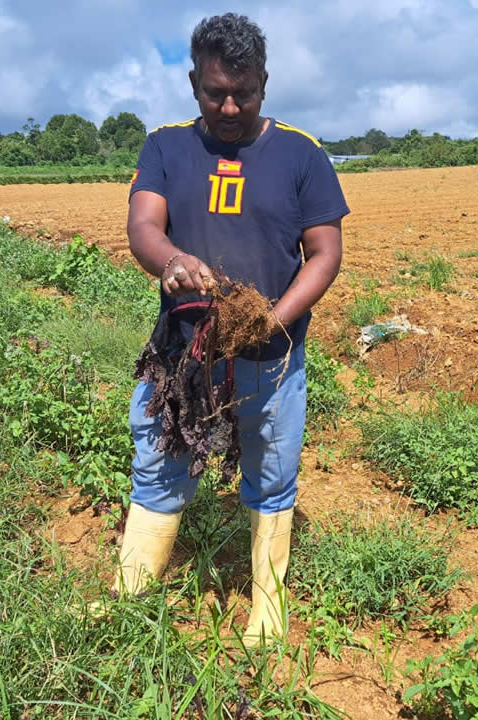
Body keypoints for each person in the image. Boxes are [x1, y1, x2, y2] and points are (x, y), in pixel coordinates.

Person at [112, 12, 349, 646]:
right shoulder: (166, 146)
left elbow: (325, 252)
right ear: (194, 82)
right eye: (216, 90)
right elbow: (143, 227)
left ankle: (267, 603)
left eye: (243, 92)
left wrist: (272, 318)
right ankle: (133, 589)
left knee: (272, 467)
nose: (229, 105)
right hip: (184, 353)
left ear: (264, 83)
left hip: (270, 355)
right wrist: (174, 262)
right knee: (161, 458)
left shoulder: (302, 154)